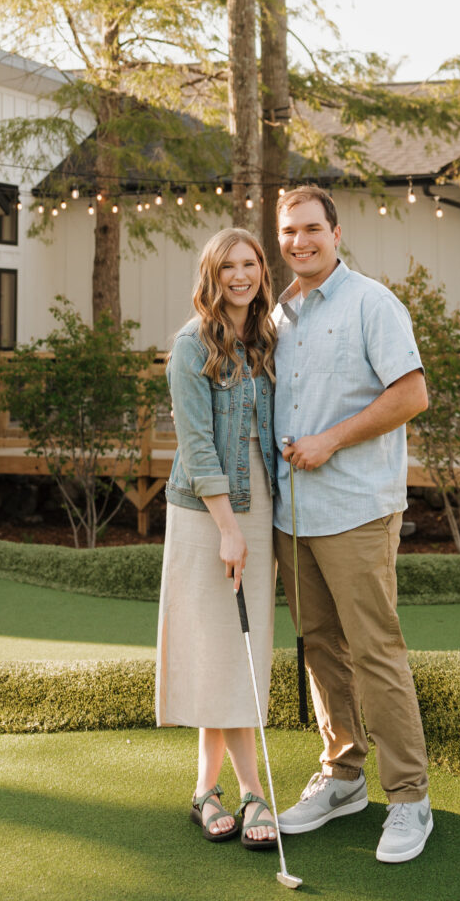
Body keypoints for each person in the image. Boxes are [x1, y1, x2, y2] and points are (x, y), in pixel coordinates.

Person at [272, 185, 432, 864]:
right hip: (291, 514)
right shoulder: (278, 314)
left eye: (310, 228)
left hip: (357, 510)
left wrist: (331, 440)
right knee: (318, 647)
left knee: (375, 652)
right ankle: (341, 776)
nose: (298, 241)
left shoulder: (372, 303)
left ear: (335, 233)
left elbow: (411, 394)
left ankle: (408, 799)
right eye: (287, 231)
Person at [155, 227, 278, 849]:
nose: (240, 275)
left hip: (260, 502)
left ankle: (206, 788)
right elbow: (197, 446)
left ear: (261, 269)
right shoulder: (189, 344)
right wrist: (228, 527)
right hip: (209, 514)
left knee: (237, 650)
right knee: (221, 647)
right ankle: (254, 790)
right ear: (212, 273)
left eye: (249, 263)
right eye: (228, 265)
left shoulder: (265, 340)